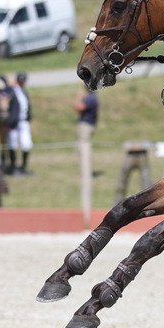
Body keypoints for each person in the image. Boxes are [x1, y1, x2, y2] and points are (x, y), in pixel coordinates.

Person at [75, 86, 99, 225]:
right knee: (83, 149)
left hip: (86, 125)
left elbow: (79, 108)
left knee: (83, 149)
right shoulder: (94, 97)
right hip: (89, 125)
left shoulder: (90, 98)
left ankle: (86, 171)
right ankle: (86, 170)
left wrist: (78, 98)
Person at [6, 71, 33, 176]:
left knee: (27, 145)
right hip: (13, 123)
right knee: (12, 145)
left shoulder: (24, 92)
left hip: (23, 122)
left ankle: (23, 167)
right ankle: (13, 167)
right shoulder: (12, 91)